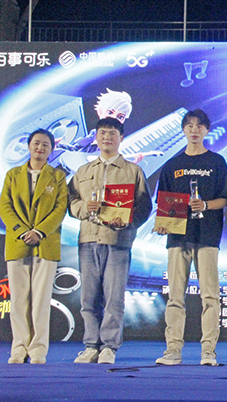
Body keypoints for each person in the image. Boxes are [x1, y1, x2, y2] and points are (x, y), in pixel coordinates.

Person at [67, 117, 152, 364]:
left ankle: (109, 347)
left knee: (114, 298)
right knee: (88, 298)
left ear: (121, 138)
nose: (107, 137)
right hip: (88, 240)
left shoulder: (133, 171)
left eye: (112, 133)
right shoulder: (83, 171)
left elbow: (144, 206)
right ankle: (91, 345)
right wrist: (85, 207)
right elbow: (71, 203)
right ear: (96, 137)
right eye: (102, 133)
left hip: (118, 241)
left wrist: (127, 221)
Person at [154, 109, 227, 366]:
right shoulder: (172, 165)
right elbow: (162, 202)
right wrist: (163, 224)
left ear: (207, 130)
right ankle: (173, 350)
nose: (194, 130)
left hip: (208, 235)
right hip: (178, 237)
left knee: (210, 296)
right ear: (184, 130)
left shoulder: (217, 162)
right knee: (175, 296)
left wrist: (206, 205)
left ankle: (208, 351)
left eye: (199, 126)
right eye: (189, 125)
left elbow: (225, 199)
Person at [1, 129, 67, 364]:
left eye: (45, 145)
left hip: (45, 244)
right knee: (19, 300)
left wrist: (39, 231)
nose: (40, 148)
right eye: (36, 143)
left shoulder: (57, 176)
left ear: (51, 150)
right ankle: (19, 348)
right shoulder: (12, 175)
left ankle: (38, 349)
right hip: (17, 243)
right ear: (29, 146)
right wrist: (21, 231)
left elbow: (60, 208)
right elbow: (5, 206)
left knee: (40, 300)